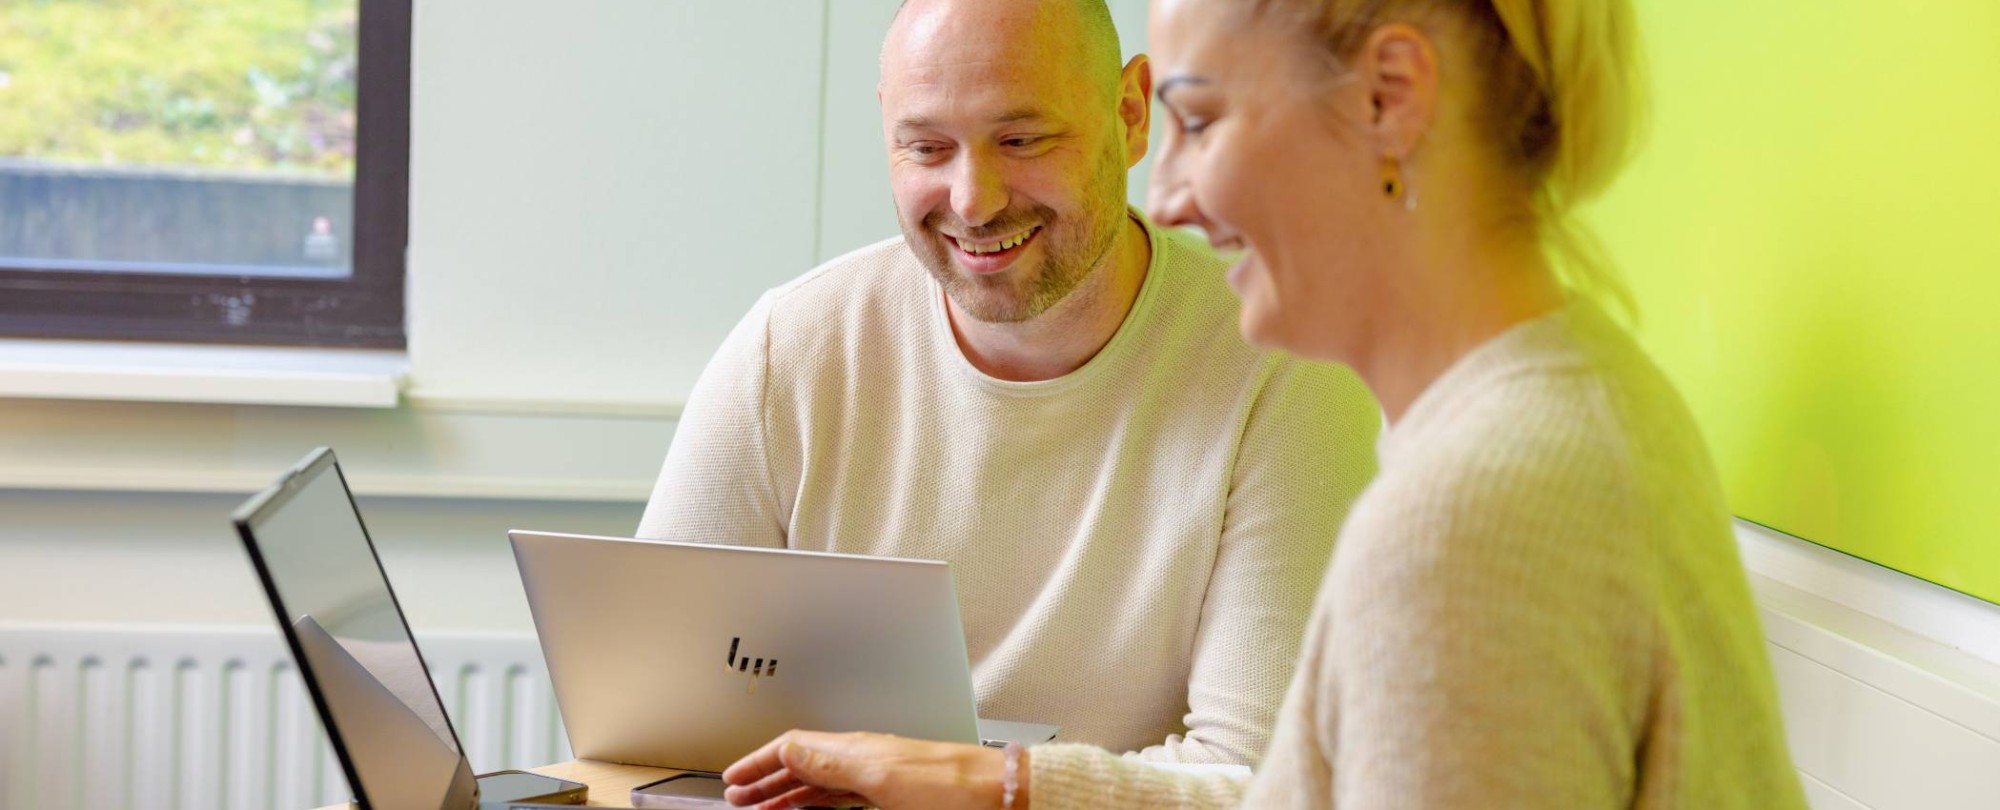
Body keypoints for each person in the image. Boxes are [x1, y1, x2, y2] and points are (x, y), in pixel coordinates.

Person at [715, 0, 1810, 807]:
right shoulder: (1565, 410)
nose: (1173, 195)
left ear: (1387, 100)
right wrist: (982, 784)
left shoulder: (1472, 513)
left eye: (1197, 121)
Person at [637, 0, 1380, 768]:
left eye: (1022, 140)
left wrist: (969, 783)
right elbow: (647, 721)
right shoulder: (789, 348)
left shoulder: (1285, 363)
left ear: (1130, 116)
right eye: (927, 148)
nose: (974, 201)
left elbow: (1258, 777)